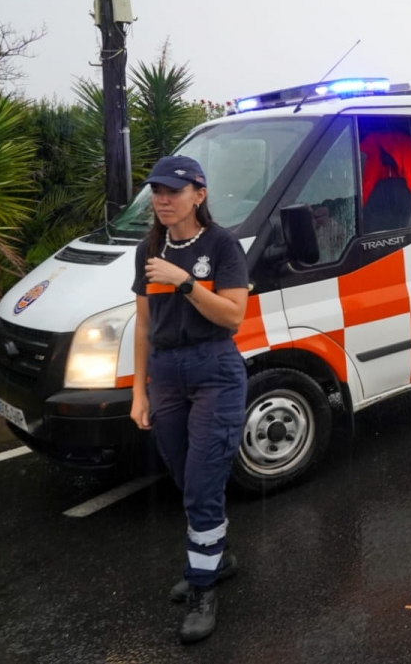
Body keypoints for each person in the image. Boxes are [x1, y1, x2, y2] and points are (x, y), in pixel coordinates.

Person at [129, 155, 250, 644]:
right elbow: (142, 324)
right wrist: (139, 391)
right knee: (185, 476)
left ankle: (203, 587)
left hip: (214, 370)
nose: (162, 199)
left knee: (201, 483)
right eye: (156, 190)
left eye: (173, 191)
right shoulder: (148, 248)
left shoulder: (222, 246)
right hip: (166, 374)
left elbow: (232, 316)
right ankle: (216, 557)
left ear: (198, 194)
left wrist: (185, 283)